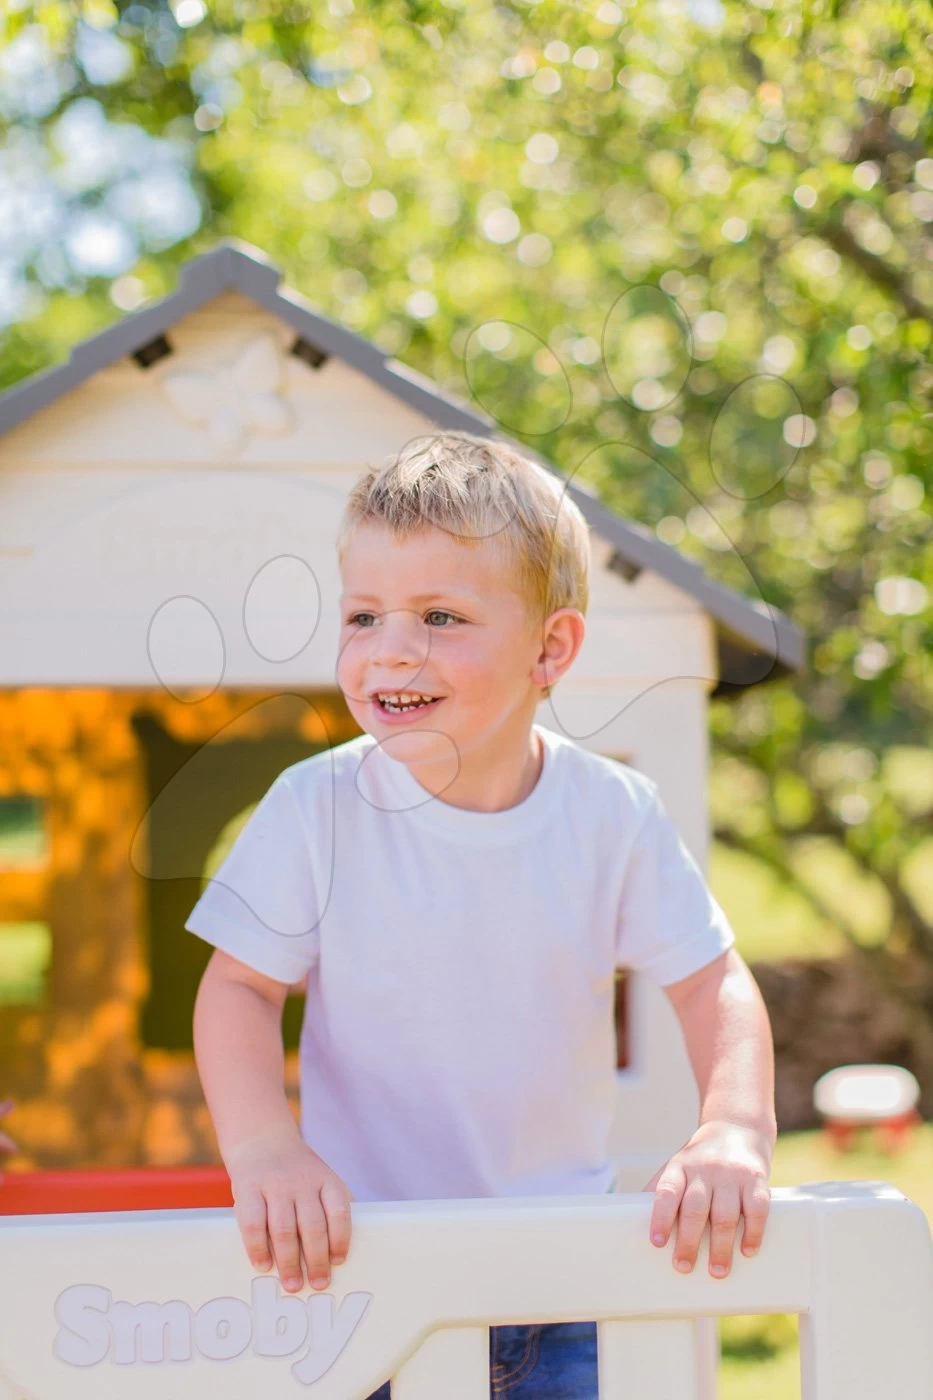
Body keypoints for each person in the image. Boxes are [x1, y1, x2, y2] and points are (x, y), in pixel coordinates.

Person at [187, 431, 776, 1399]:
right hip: (361, 1275)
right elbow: (240, 986)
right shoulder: (315, 806)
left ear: (551, 647)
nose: (391, 648)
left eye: (441, 615)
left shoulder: (610, 814)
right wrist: (266, 1146)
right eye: (363, 614)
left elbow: (713, 976)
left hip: (557, 1277)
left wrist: (734, 1128)